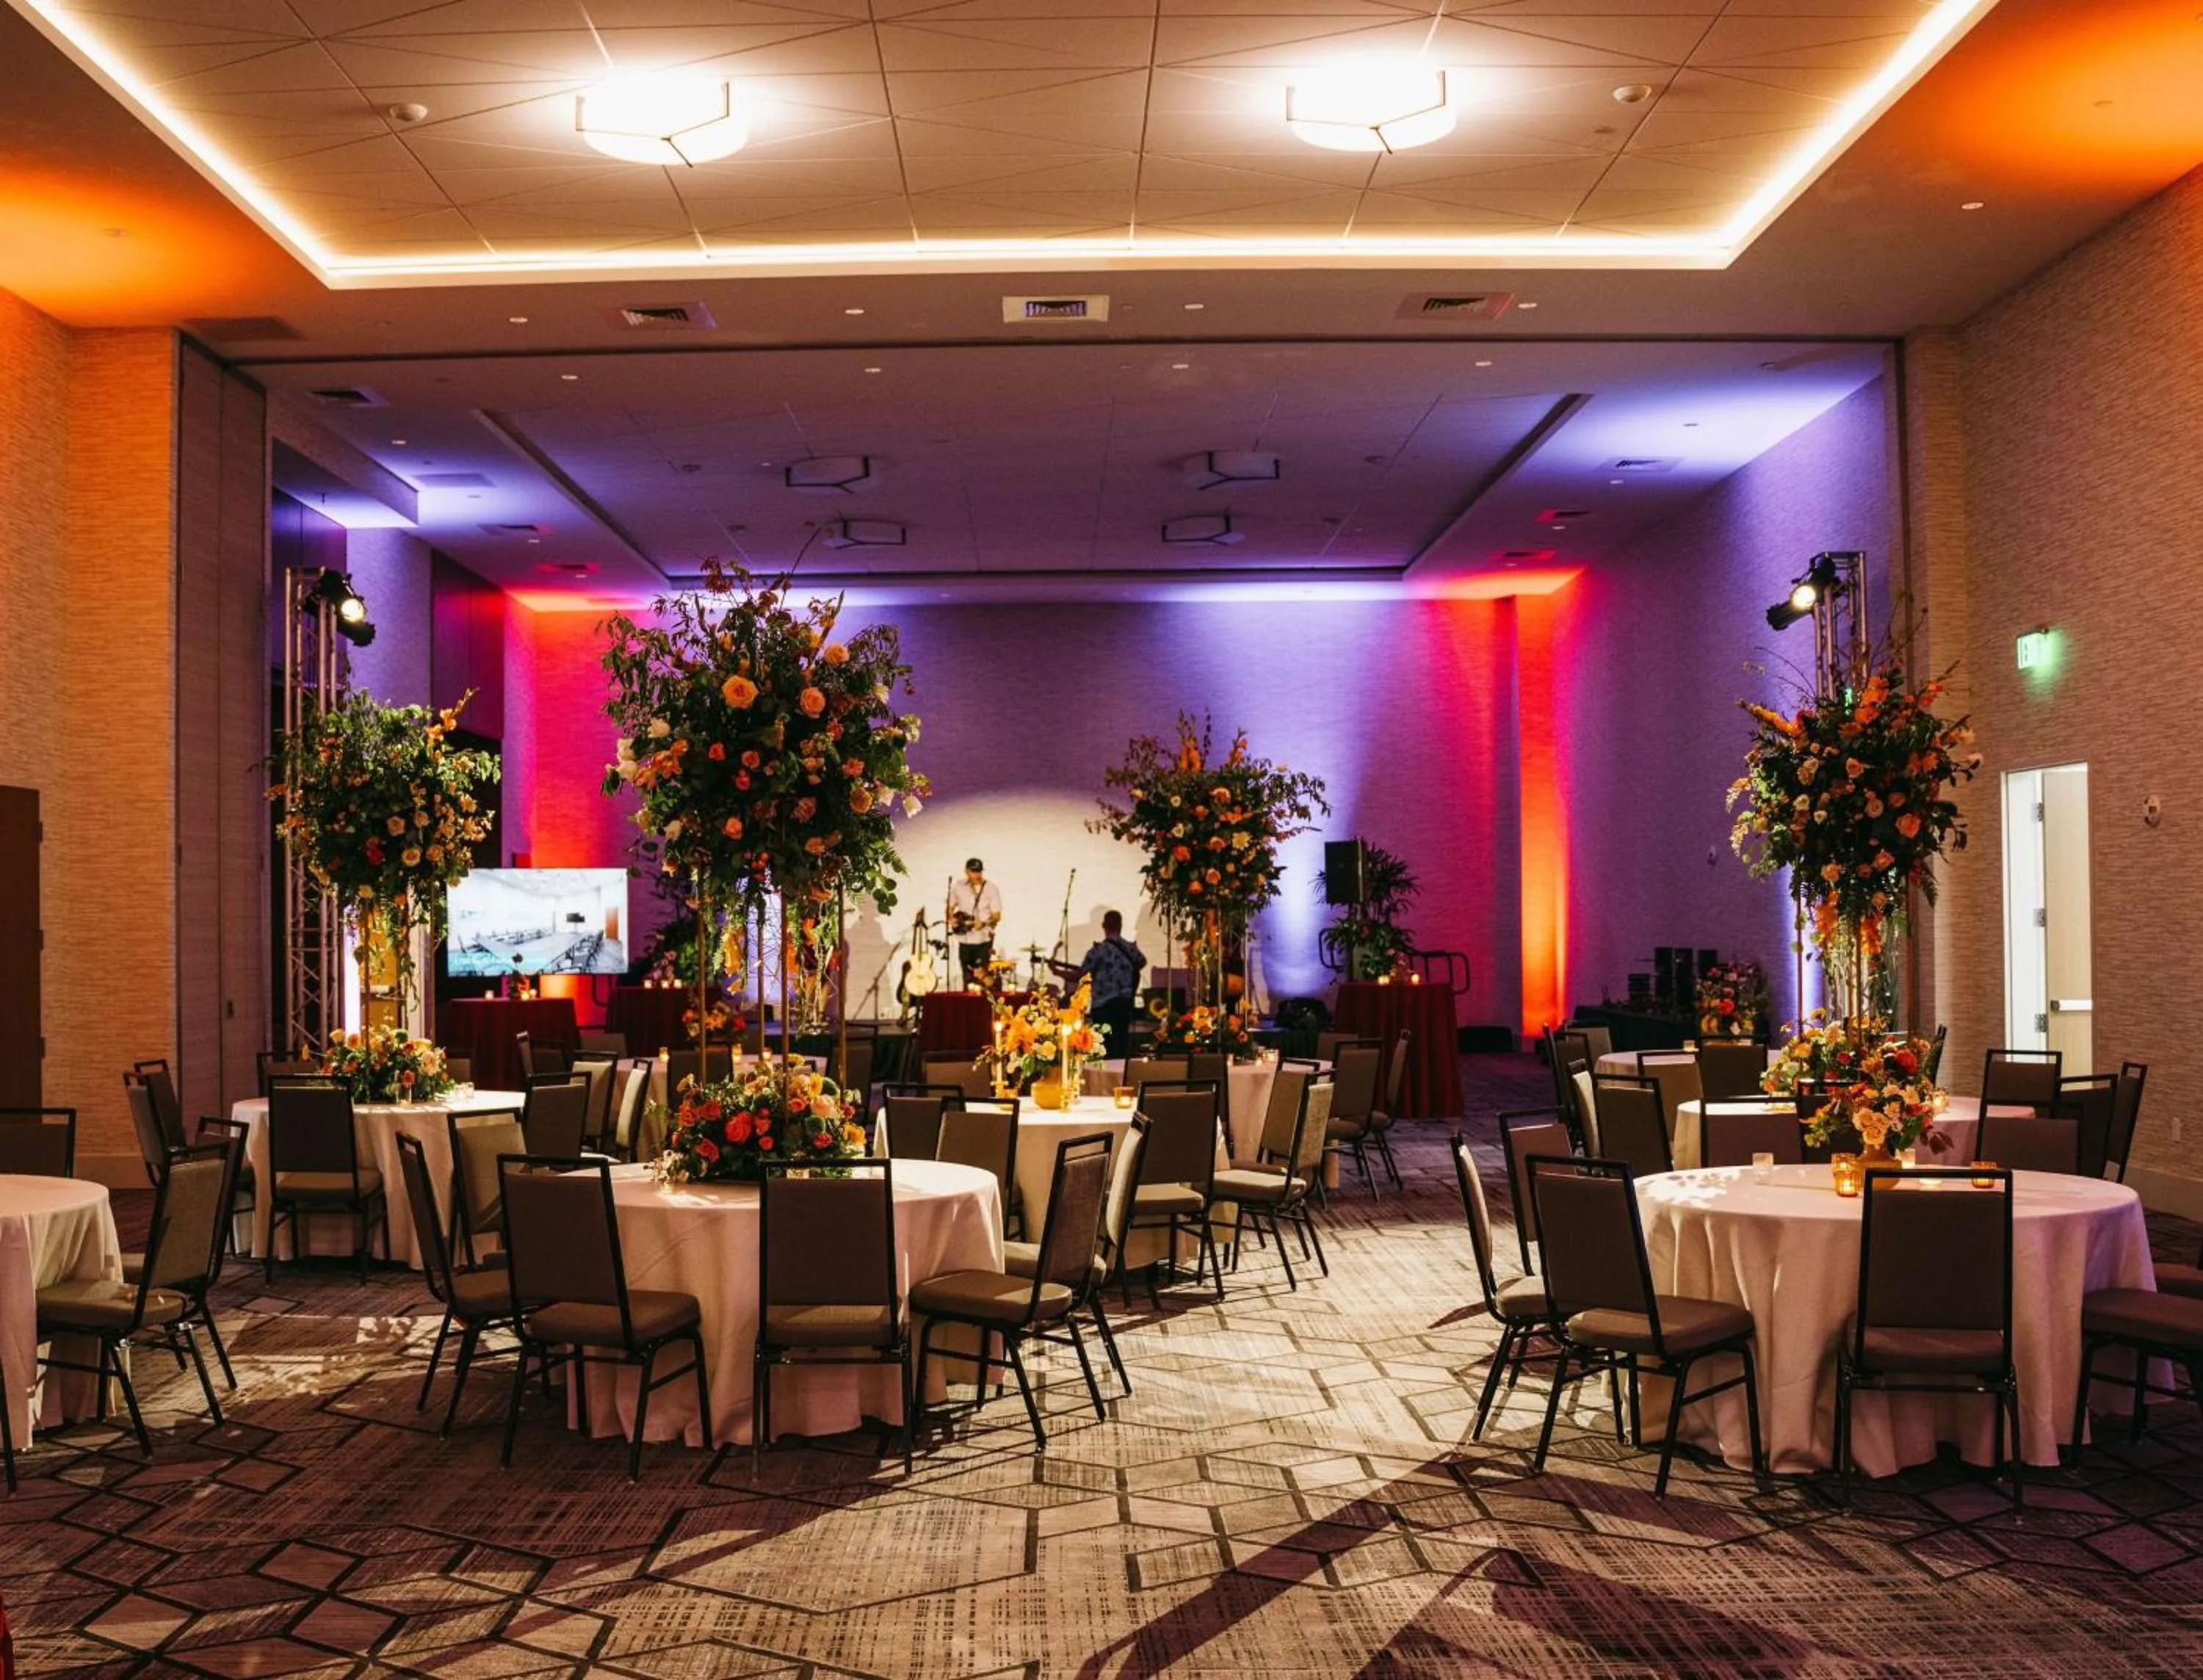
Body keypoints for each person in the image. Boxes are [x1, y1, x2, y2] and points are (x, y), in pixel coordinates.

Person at [1071, 910, 1146, 1060]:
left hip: (1103, 1006)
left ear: (1104, 926)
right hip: (1124, 1004)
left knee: (1105, 1047)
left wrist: (1057, 972)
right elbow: (1142, 962)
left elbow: (1080, 976)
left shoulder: (1098, 951)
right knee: (1121, 1045)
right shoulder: (1130, 948)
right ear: (1121, 925)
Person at [947, 857, 1002, 988]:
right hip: (964, 939)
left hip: (982, 939)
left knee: (981, 976)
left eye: (979, 871)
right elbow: (950, 907)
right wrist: (952, 920)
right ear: (966, 871)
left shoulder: (991, 888)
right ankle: (968, 1007)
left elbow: (997, 916)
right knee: (967, 977)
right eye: (973, 871)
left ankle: (984, 1004)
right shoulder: (958, 886)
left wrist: (983, 923)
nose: (976, 875)